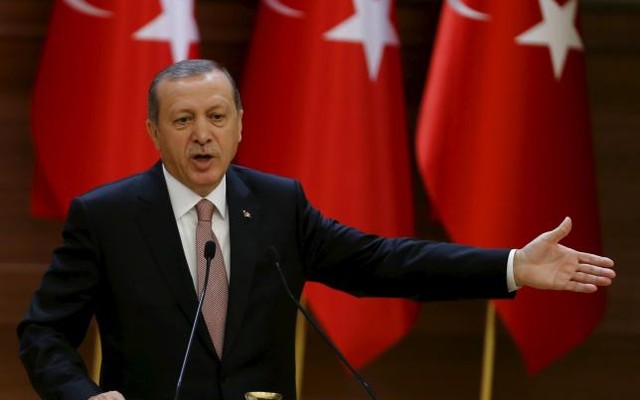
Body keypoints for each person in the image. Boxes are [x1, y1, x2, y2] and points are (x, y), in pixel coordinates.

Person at [18, 59, 615, 400]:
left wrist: (510, 265)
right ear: (154, 131)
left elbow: (382, 263)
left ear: (239, 126)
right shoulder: (106, 217)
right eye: (183, 119)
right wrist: (85, 398)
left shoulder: (278, 205)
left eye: (217, 117)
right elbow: (44, 332)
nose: (203, 133)